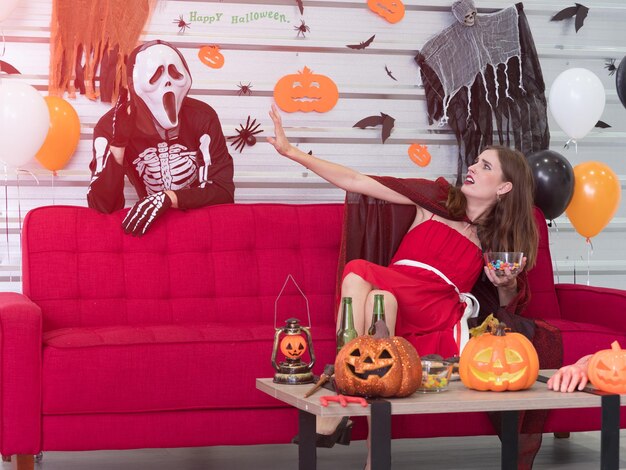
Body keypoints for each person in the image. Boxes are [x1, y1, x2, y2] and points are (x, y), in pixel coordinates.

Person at [268, 105, 539, 468]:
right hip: (395, 290)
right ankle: (373, 452)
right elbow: (358, 181)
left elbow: (507, 305)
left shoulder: (497, 242)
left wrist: (504, 284)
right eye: (475, 162)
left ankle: (338, 393)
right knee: (378, 296)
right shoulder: (436, 201)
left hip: (435, 306)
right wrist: (292, 152)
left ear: (505, 187)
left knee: (360, 272)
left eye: (485, 166)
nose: (472, 168)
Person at [87, 40, 234, 236]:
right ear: (134, 85)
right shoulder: (111, 126)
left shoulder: (202, 117)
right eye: (156, 75)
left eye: (175, 74)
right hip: (153, 230)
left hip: (202, 228)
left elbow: (223, 191)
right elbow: (101, 207)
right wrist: (118, 147)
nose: (167, 82)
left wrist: (169, 197)